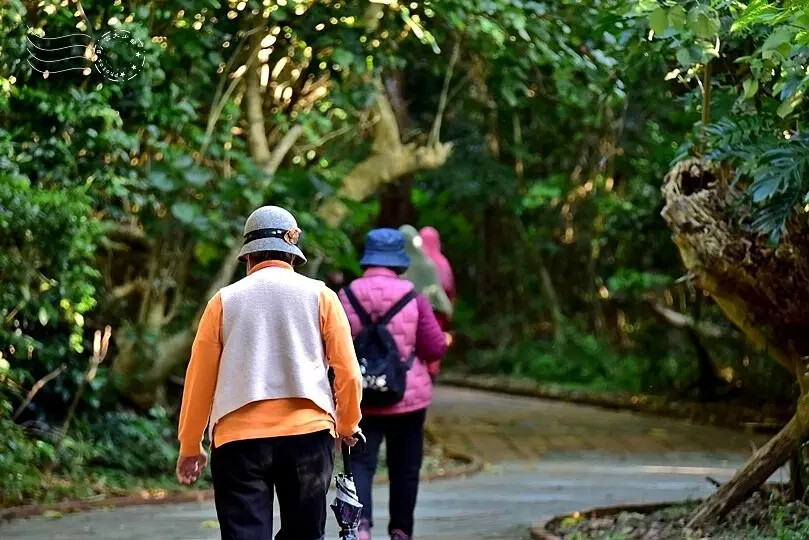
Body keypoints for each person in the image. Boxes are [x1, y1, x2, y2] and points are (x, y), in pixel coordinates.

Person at [176, 205, 363, 540]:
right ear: (293, 256)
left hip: (238, 440)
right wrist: (347, 424)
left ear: (248, 257)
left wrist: (191, 445)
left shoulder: (223, 302)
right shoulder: (322, 296)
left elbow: (199, 381)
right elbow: (347, 373)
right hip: (307, 436)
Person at [339, 228, 448, 540]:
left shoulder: (345, 296)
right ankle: (400, 533)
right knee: (405, 471)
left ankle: (360, 529)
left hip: (361, 398)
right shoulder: (413, 297)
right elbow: (434, 347)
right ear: (399, 261)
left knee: (360, 464)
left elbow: (331, 346)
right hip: (407, 400)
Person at [398, 225, 453, 322]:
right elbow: (444, 290)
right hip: (427, 316)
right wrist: (448, 309)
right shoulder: (431, 264)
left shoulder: (393, 265)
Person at [419, 226, 456, 330]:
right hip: (439, 316)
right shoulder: (444, 263)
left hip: (419, 316)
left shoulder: (415, 264)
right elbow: (450, 291)